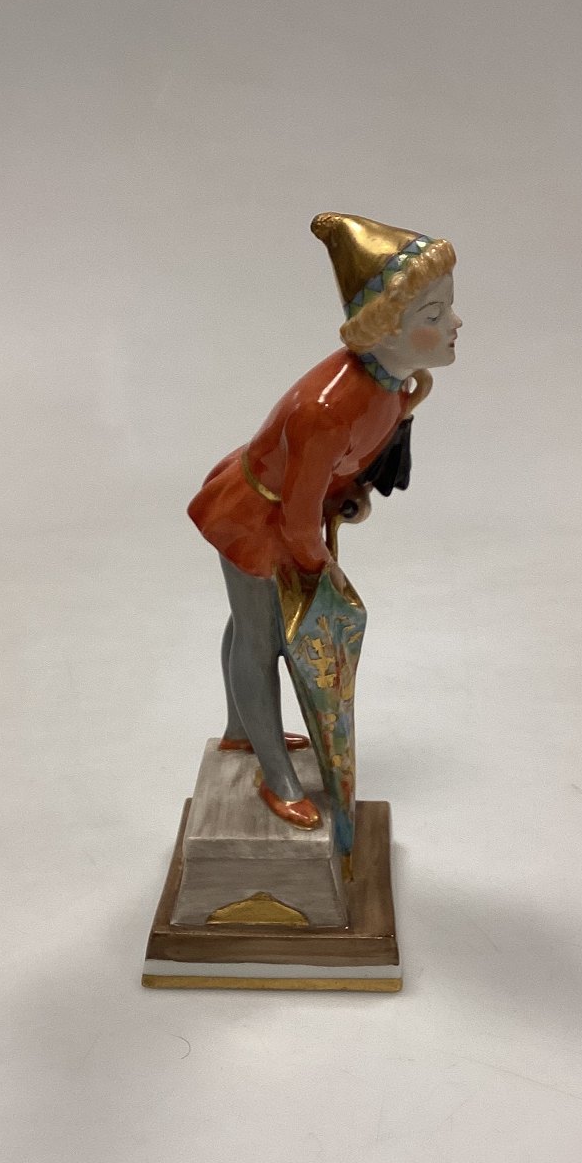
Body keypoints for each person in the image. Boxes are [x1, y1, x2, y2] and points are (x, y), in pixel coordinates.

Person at [188, 213, 461, 831]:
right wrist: (322, 569)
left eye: (448, 306)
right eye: (434, 312)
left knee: (248, 624)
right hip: (255, 514)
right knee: (262, 641)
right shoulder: (325, 408)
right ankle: (276, 776)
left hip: (290, 511)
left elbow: (339, 473)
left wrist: (353, 494)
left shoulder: (392, 386)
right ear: (382, 328)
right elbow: (296, 517)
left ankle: (240, 729)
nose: (456, 322)